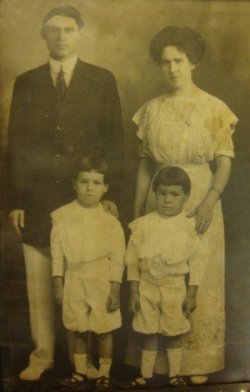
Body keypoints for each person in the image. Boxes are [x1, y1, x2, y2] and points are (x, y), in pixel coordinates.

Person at [7, 6, 124, 381]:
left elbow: (114, 141)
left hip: (86, 195)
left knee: (88, 275)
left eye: (68, 30)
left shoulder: (101, 80)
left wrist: (110, 193)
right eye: (53, 30)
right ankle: (42, 356)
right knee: (40, 277)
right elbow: (17, 144)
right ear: (43, 35)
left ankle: (87, 360)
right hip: (38, 196)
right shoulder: (27, 81)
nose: (61, 36)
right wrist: (17, 200)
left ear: (80, 34)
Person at [125, 26, 238, 383]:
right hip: (160, 201)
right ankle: (157, 364)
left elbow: (224, 162)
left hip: (202, 199)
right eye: (165, 62)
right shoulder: (151, 110)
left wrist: (209, 201)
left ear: (194, 63)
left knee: (197, 274)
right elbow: (145, 166)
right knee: (156, 274)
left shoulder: (214, 107)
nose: (172, 68)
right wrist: (139, 211)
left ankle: (198, 362)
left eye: (179, 61)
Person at [126, 167, 206, 387]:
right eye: (162, 194)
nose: (167, 200)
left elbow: (197, 264)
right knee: (148, 331)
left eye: (174, 195)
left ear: (186, 197)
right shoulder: (143, 224)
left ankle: (174, 375)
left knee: (174, 331)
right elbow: (132, 261)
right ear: (155, 193)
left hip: (174, 287)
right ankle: (145, 375)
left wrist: (191, 294)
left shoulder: (188, 227)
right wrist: (134, 291)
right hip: (147, 287)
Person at [51, 156, 125, 391]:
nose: (89, 188)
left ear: (105, 188)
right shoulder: (62, 216)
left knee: (104, 328)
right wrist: (58, 282)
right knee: (77, 327)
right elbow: (57, 254)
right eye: (84, 182)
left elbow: (118, 257)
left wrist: (115, 287)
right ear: (75, 184)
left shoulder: (110, 220)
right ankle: (80, 372)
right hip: (74, 277)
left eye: (96, 183)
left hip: (101, 276)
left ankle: (104, 374)